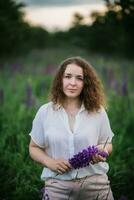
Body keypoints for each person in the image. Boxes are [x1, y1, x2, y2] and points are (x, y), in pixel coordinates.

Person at [29, 56, 114, 200]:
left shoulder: (98, 111)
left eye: (79, 78)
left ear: (85, 83)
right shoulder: (45, 111)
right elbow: (34, 148)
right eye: (68, 76)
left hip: (96, 184)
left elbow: (108, 144)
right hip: (57, 185)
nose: (72, 83)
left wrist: (102, 151)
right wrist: (49, 162)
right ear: (60, 80)